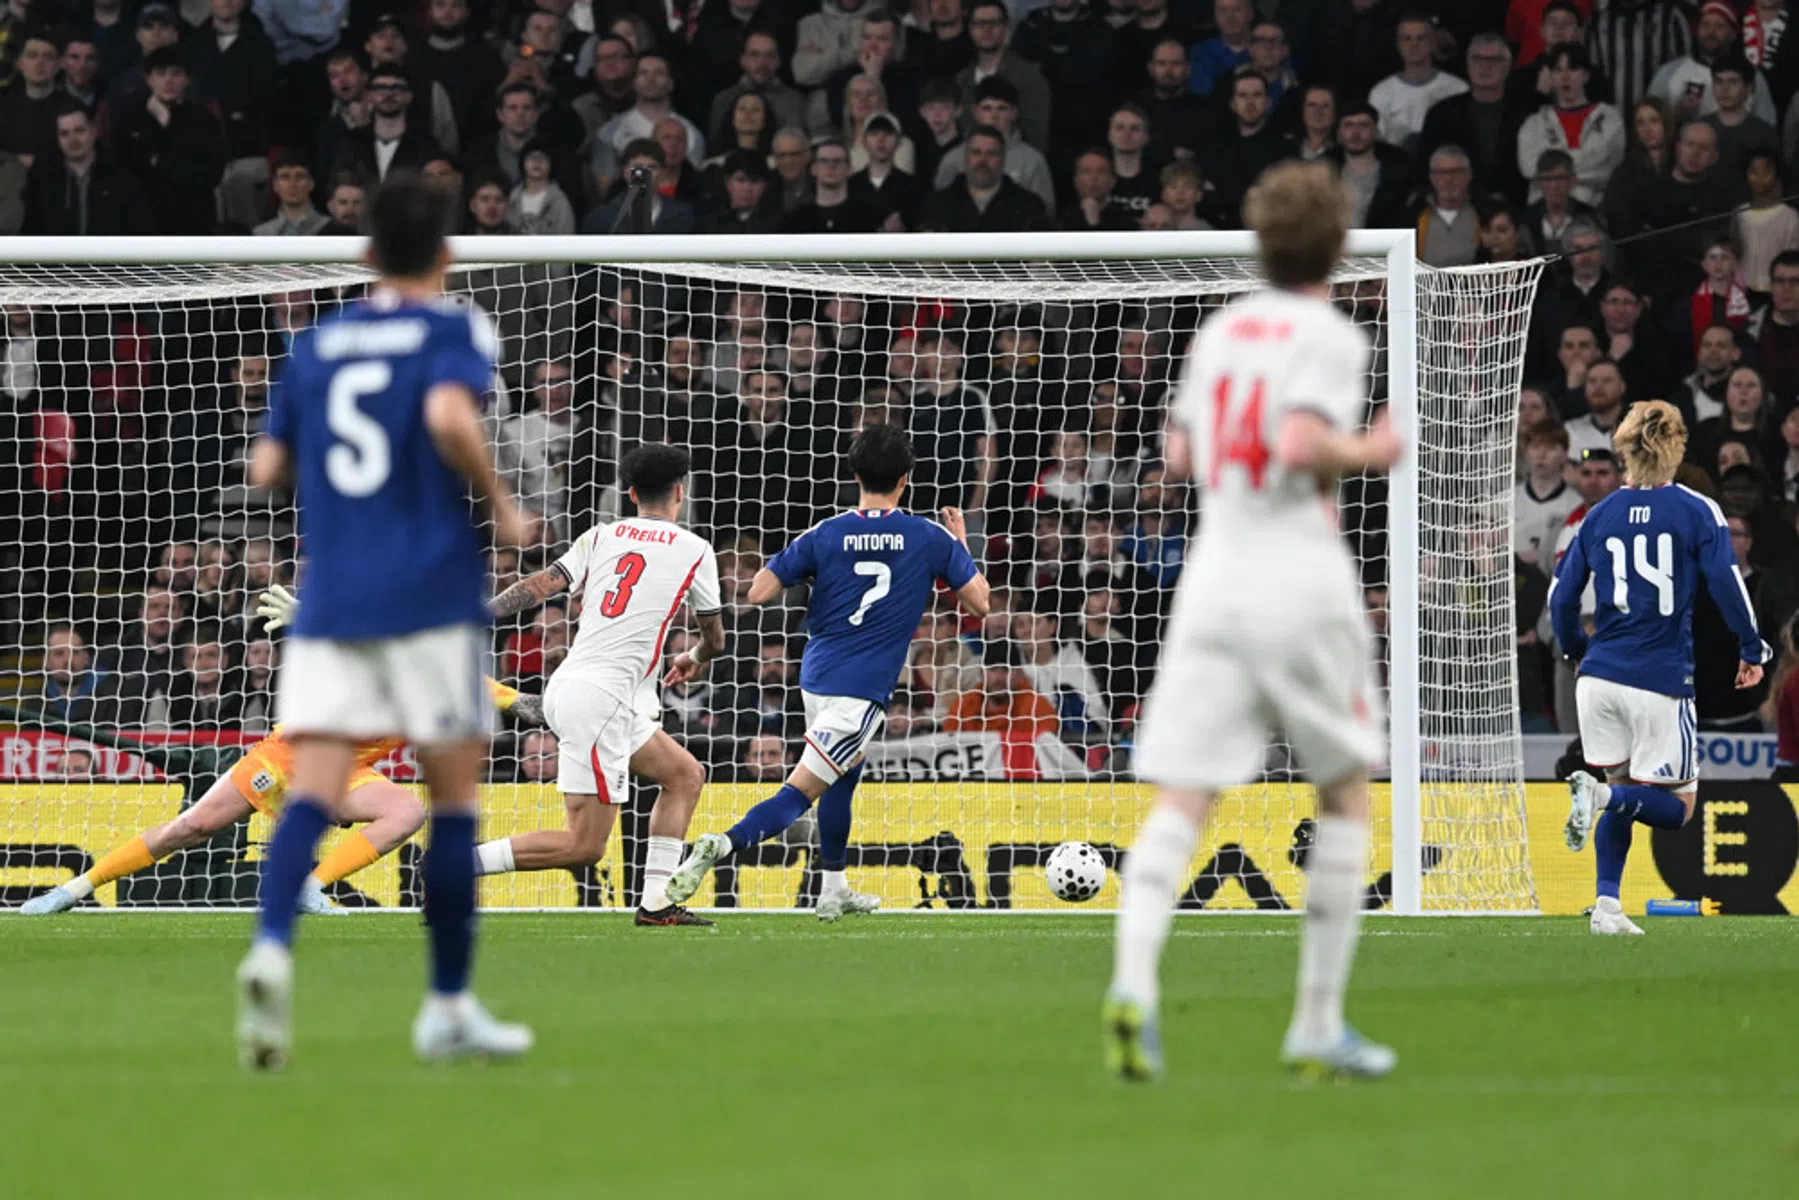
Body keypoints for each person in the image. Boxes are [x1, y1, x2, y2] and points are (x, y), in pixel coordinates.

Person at [1105, 161, 1405, 1083]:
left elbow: (1181, 452)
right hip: (1298, 577)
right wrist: (1376, 447)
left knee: (1183, 796)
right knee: (1345, 788)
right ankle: (1316, 1023)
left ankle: (1134, 988)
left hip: (1213, 577)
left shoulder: (1221, 330)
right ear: (1337, 241)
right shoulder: (1329, 334)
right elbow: (1301, 444)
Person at [235, 174, 536, 1069]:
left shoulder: (317, 343)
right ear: (445, 253)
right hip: (431, 597)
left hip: (331, 602)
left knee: (314, 787)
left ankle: (270, 949)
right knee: (452, 805)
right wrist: (503, 504)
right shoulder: (455, 328)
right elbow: (447, 412)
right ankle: (446, 1005)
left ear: (365, 254)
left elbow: (265, 466)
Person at [665, 423, 993, 921]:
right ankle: (720, 845)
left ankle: (834, 888)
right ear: (905, 479)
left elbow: (756, 593)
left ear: (855, 474)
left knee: (843, 778)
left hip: (815, 679)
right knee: (800, 793)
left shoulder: (825, 532)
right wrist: (960, 544)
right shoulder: (930, 537)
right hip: (860, 694)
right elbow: (982, 603)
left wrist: (816, 573)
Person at [478, 444, 726, 927]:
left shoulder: (601, 535)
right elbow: (715, 637)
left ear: (630, 494)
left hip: (592, 691)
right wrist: (694, 657)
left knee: (684, 776)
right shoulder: (695, 549)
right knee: (584, 846)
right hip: (602, 701)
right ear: (681, 491)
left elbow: (536, 587)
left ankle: (656, 902)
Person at [1553, 400, 1770, 935]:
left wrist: (1576, 652)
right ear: (1677, 448)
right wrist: (1752, 647)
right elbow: (1726, 582)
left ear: (1624, 448)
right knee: (1678, 808)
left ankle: (1606, 906)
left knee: (1624, 788)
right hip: (1660, 679)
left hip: (1599, 676)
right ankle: (1598, 797)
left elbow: (1562, 600)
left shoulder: (1598, 514)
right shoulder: (1697, 510)